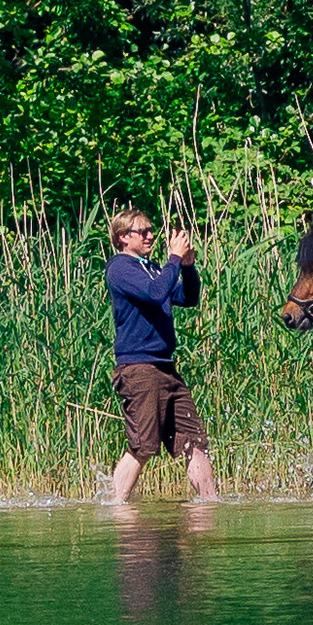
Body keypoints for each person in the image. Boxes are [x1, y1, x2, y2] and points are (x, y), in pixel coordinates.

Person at [105, 208, 219, 503]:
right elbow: (156, 294)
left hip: (167, 368)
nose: (150, 236)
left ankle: (209, 504)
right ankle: (116, 506)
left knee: (194, 442)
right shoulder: (120, 268)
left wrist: (189, 266)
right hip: (140, 367)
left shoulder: (153, 268)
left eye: (150, 230)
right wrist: (174, 260)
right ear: (122, 237)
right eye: (142, 232)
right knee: (143, 445)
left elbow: (188, 297)